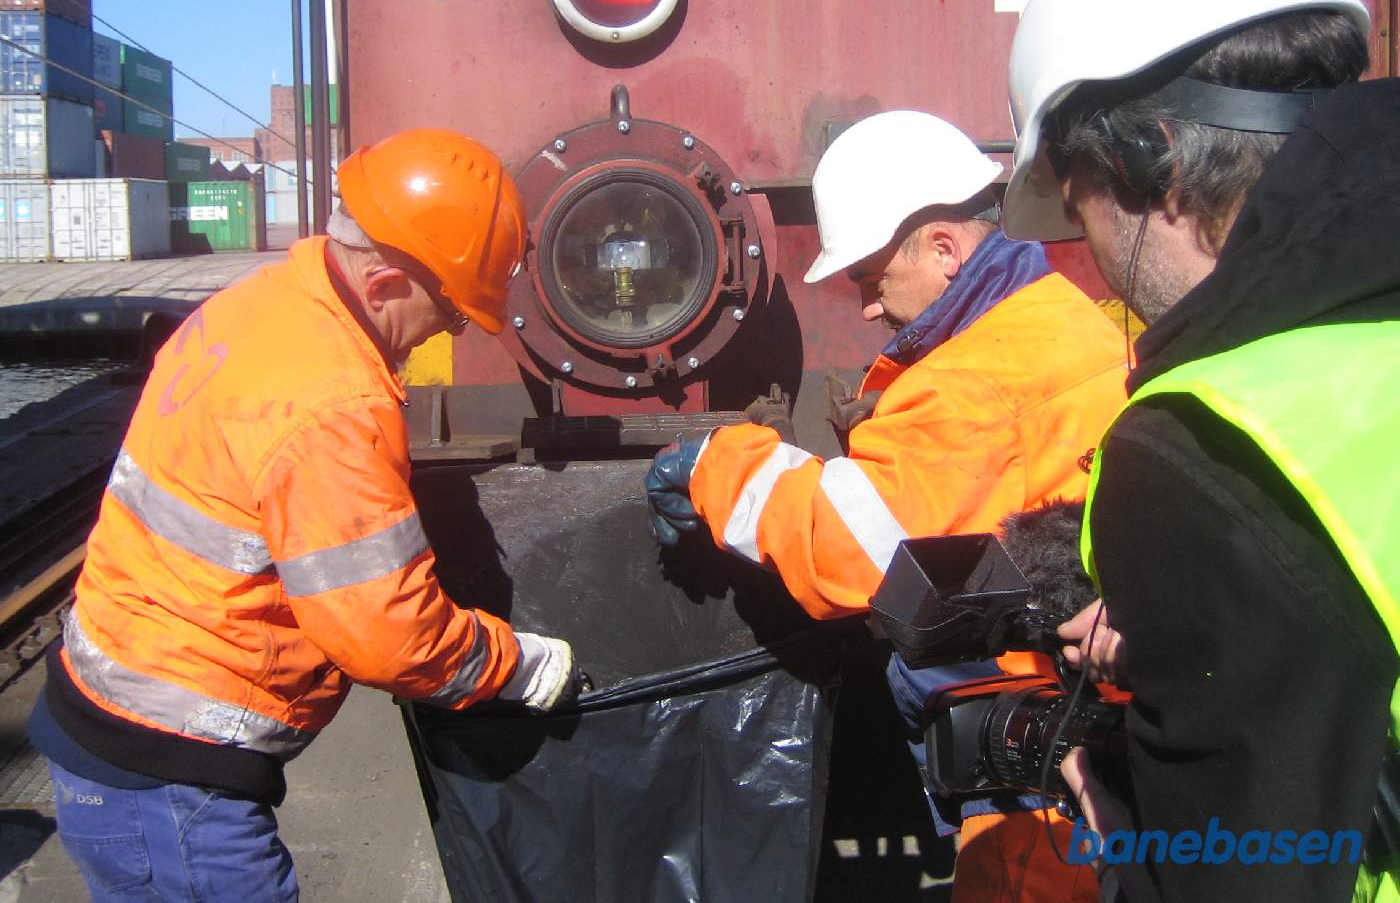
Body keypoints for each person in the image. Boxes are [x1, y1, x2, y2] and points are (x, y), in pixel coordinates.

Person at [29, 128, 580, 902]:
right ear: (386, 284)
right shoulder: (331, 401)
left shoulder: (261, 303)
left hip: (122, 722)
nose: (444, 335)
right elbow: (388, 637)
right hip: (170, 772)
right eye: (450, 316)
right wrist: (513, 664)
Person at [1001, 0, 1400, 902]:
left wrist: (1123, 828)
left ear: (1148, 161)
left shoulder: (1204, 445)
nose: (1084, 249)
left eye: (1072, 200)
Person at [646, 109, 1128, 900]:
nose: (869, 308)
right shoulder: (1065, 320)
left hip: (1042, 761)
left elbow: (847, 549)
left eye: (872, 281)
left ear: (943, 249)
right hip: (1091, 710)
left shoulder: (974, 383)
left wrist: (716, 463)